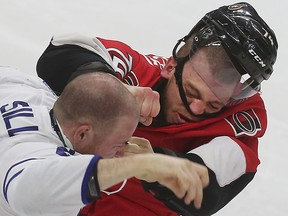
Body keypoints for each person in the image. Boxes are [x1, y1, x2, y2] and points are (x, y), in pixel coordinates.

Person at [36, 2, 278, 216]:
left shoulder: (239, 121)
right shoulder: (137, 72)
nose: (195, 109)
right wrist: (112, 89)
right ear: (171, 67)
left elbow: (208, 189)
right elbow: (61, 51)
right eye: (191, 93)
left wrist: (155, 166)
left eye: (213, 105)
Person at [0, 66, 209, 216]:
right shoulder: (28, 155)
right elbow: (29, 193)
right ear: (83, 133)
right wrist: (141, 164)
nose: (121, 153)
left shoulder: (28, 89)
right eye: (119, 144)